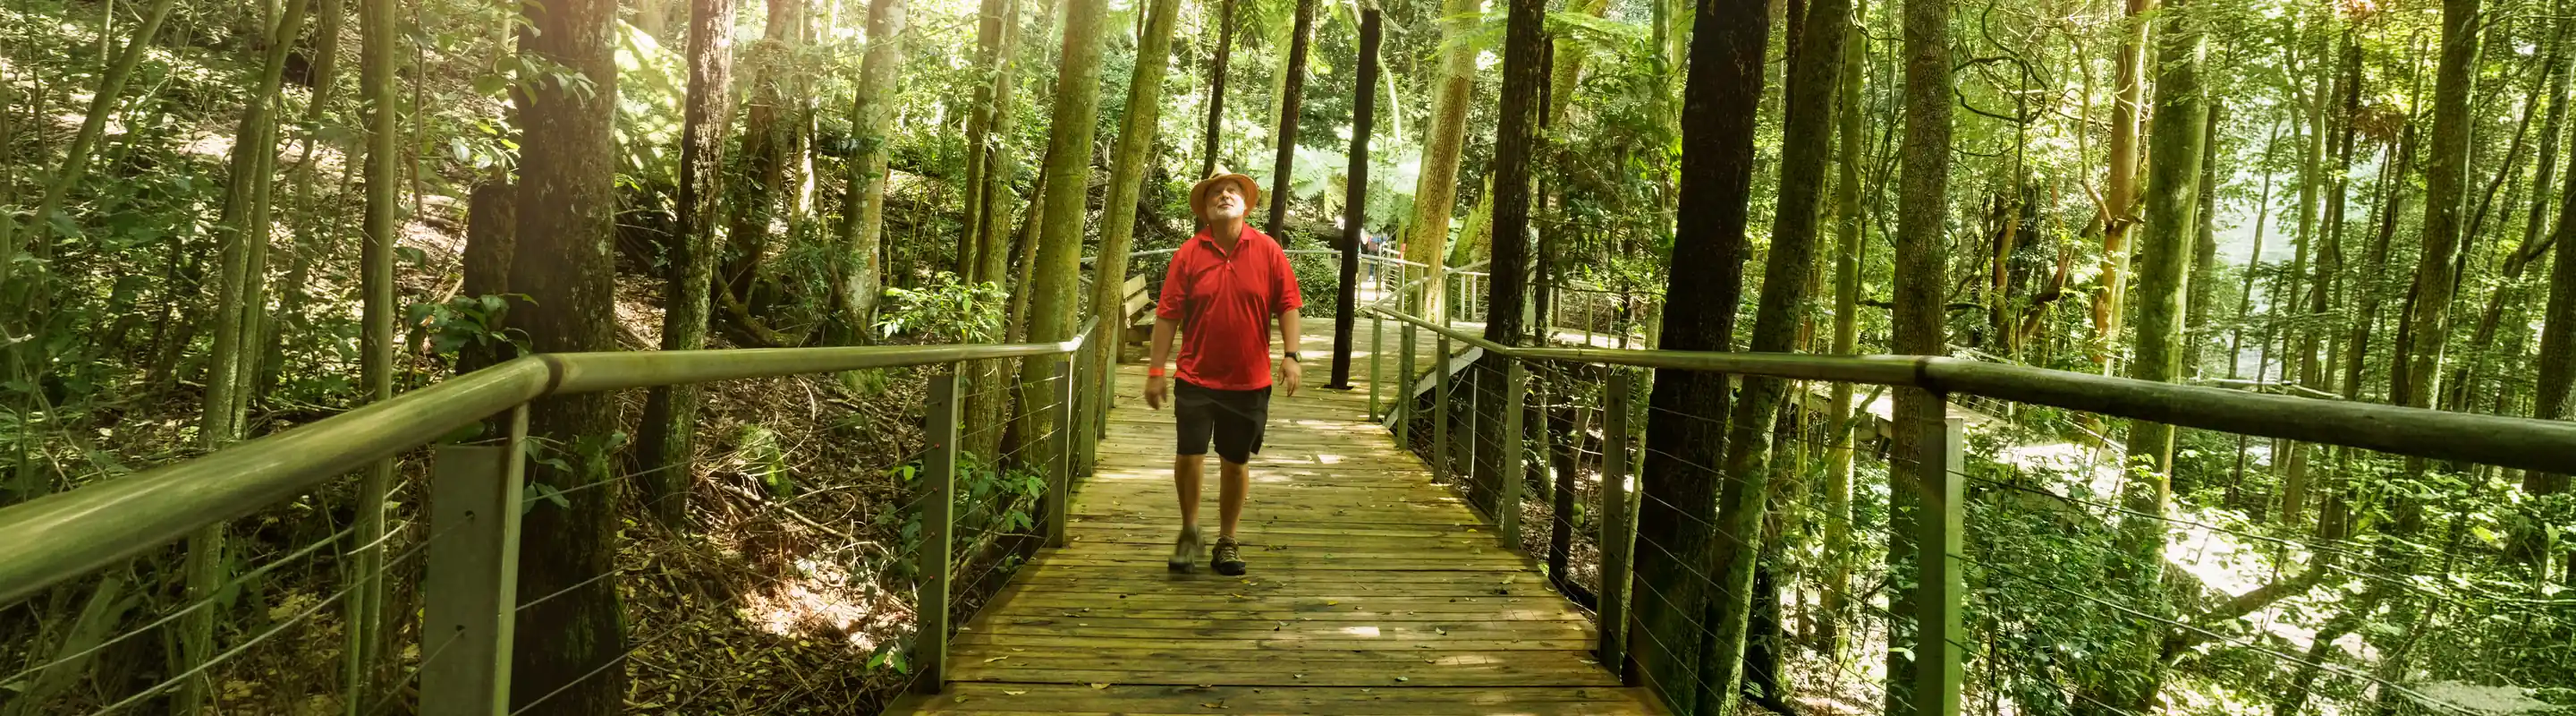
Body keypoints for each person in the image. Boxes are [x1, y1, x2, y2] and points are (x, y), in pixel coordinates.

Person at [1144, 169, 1303, 576]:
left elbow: (1288, 304)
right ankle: (1189, 531)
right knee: (1190, 456)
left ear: (1246, 205)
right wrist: (1156, 369)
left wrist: (1292, 355)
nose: (1225, 195)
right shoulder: (1189, 253)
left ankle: (1227, 540)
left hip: (1249, 380)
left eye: (1233, 190)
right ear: (1205, 208)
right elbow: (1167, 315)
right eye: (1216, 192)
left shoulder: (1267, 250)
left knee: (1235, 462)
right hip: (1196, 377)